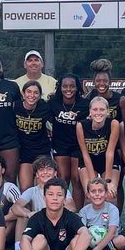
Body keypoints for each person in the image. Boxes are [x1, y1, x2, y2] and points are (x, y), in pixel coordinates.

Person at [48, 74, 88, 207]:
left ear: (77, 88)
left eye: (72, 86)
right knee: (63, 178)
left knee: (77, 180)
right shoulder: (54, 102)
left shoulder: (84, 105)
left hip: (78, 145)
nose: (68, 89)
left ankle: (77, 214)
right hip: (60, 145)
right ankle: (61, 210)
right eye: (65, 86)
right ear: (60, 87)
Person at [76, 96, 121, 201]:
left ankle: (112, 217)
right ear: (90, 112)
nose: (98, 112)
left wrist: (108, 181)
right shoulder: (81, 125)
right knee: (90, 193)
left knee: (110, 194)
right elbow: (85, 153)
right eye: (95, 109)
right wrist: (93, 180)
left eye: (102, 109)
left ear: (107, 112)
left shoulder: (114, 124)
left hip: (109, 161)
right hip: (89, 161)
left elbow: (110, 153)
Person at [80, 177, 125, 250]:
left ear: (106, 194)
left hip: (108, 242)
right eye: (93, 191)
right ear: (88, 195)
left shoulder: (112, 209)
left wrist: (98, 248)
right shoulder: (84, 211)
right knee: (75, 241)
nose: (97, 194)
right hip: (89, 244)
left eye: (100, 191)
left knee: (122, 240)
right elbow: (81, 232)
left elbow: (112, 232)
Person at [14, 80, 52, 191]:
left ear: (40, 95)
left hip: (42, 151)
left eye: (36, 93)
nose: (32, 95)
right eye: (29, 92)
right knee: (25, 187)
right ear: (23, 93)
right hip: (24, 152)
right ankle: (27, 209)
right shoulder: (16, 106)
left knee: (45, 187)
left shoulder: (45, 107)